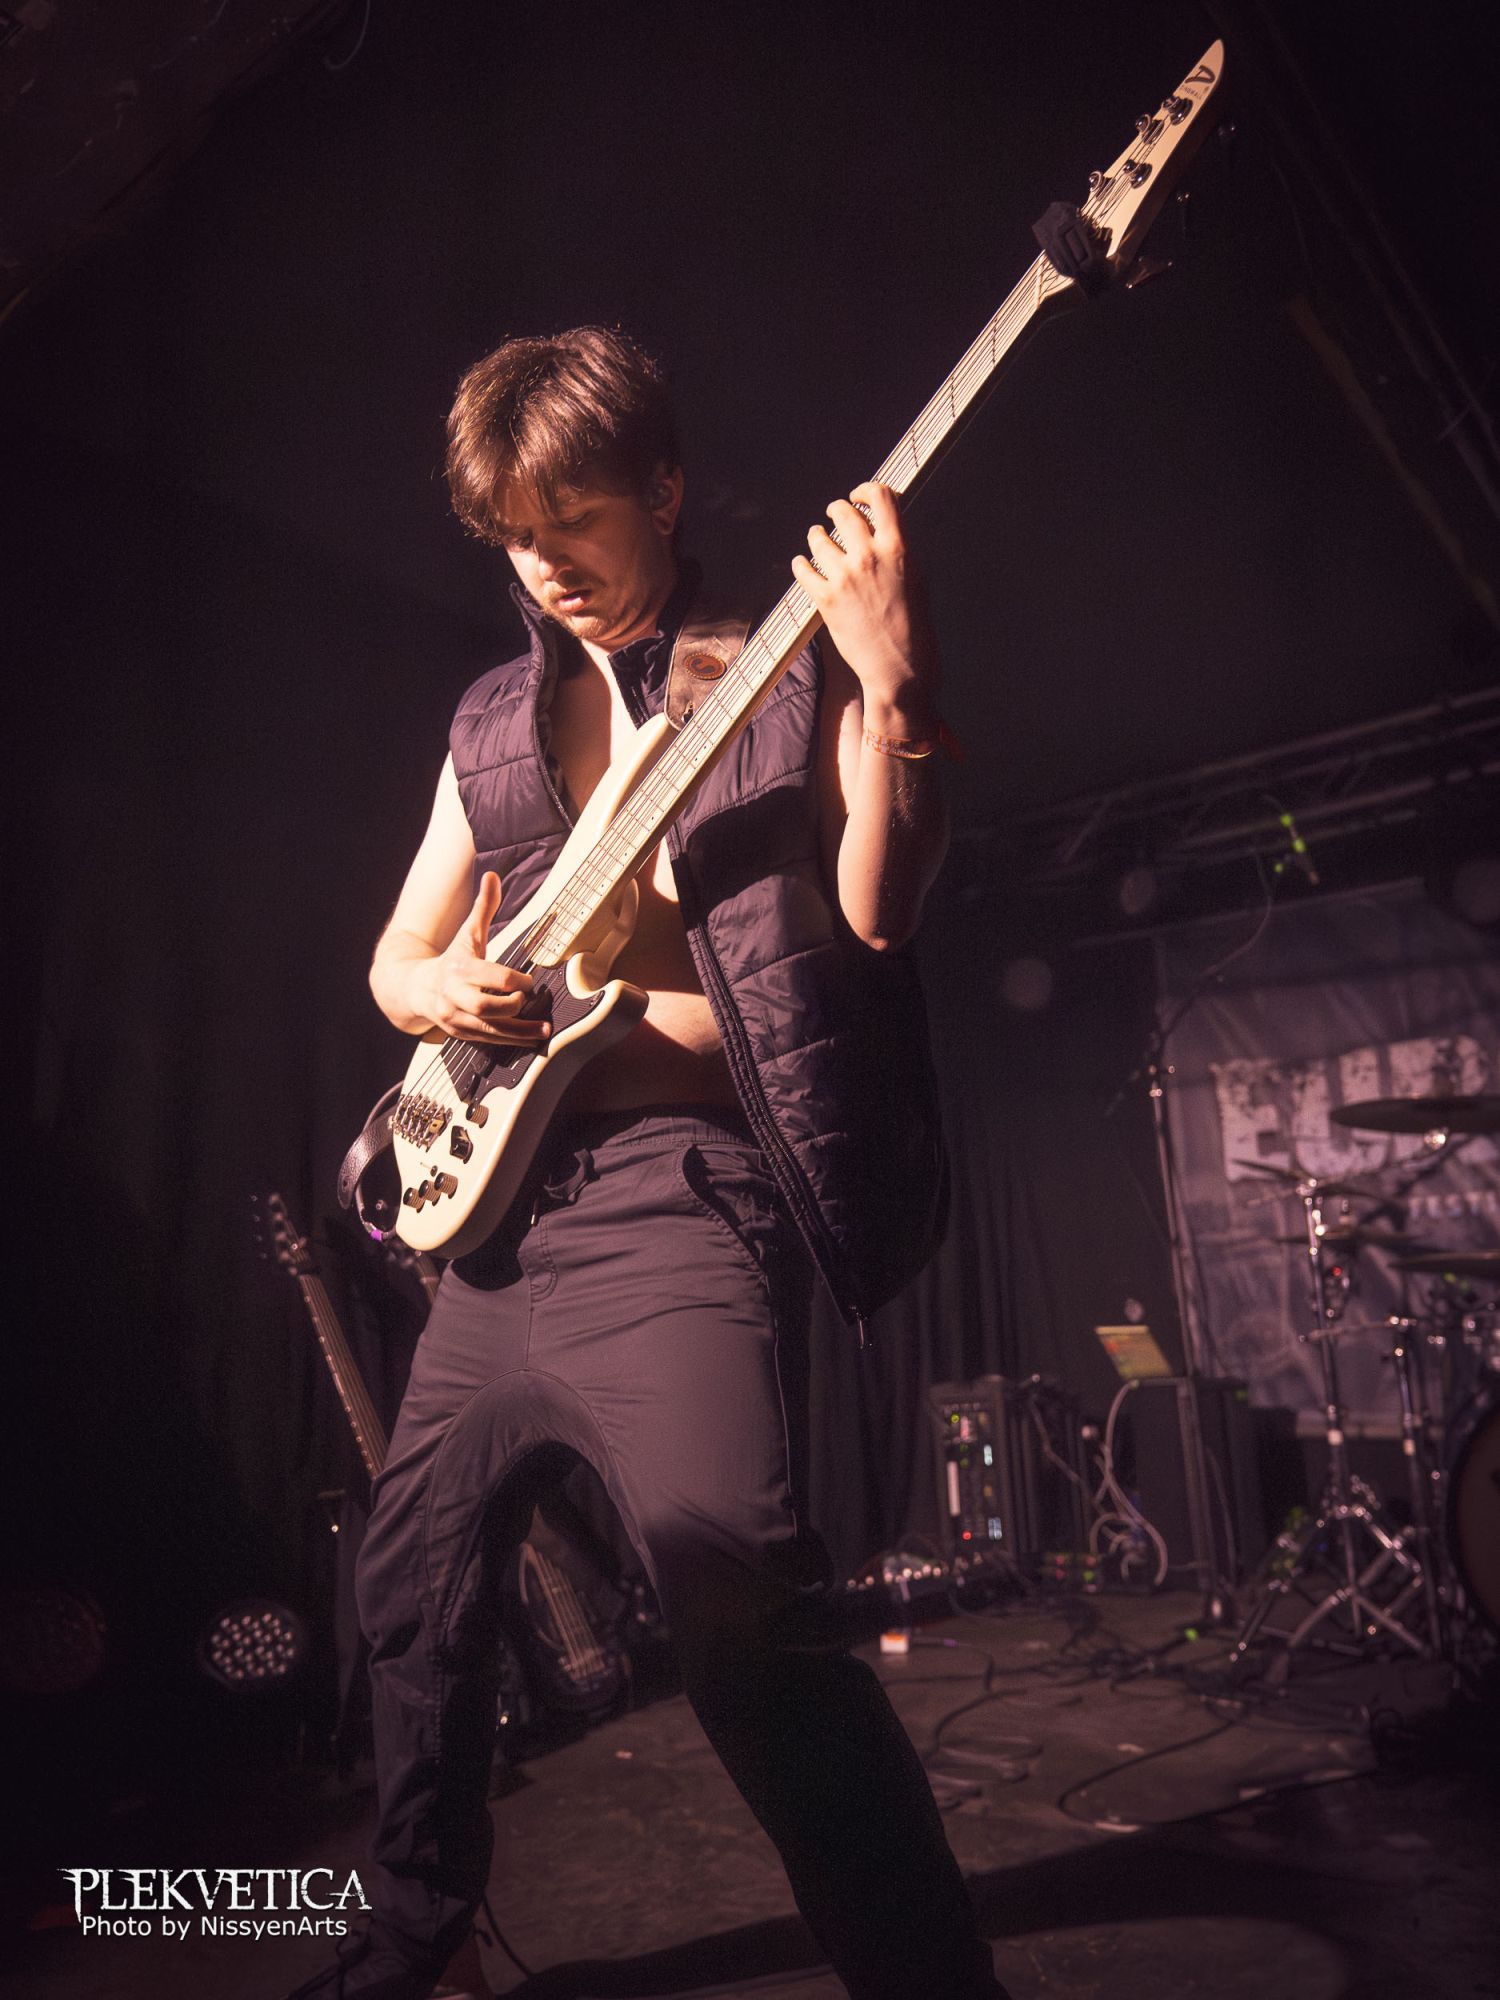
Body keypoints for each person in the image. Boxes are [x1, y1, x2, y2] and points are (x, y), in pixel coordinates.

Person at [292, 327, 1007, 1999]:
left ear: (665, 490)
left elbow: (879, 913)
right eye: (515, 539)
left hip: (677, 1205)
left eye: (577, 521)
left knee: (742, 1608)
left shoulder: (779, 663)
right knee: (408, 1596)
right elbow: (397, 957)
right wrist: (437, 991)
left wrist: (895, 687)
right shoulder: (491, 722)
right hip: (496, 1238)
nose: (546, 567)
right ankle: (413, 1942)